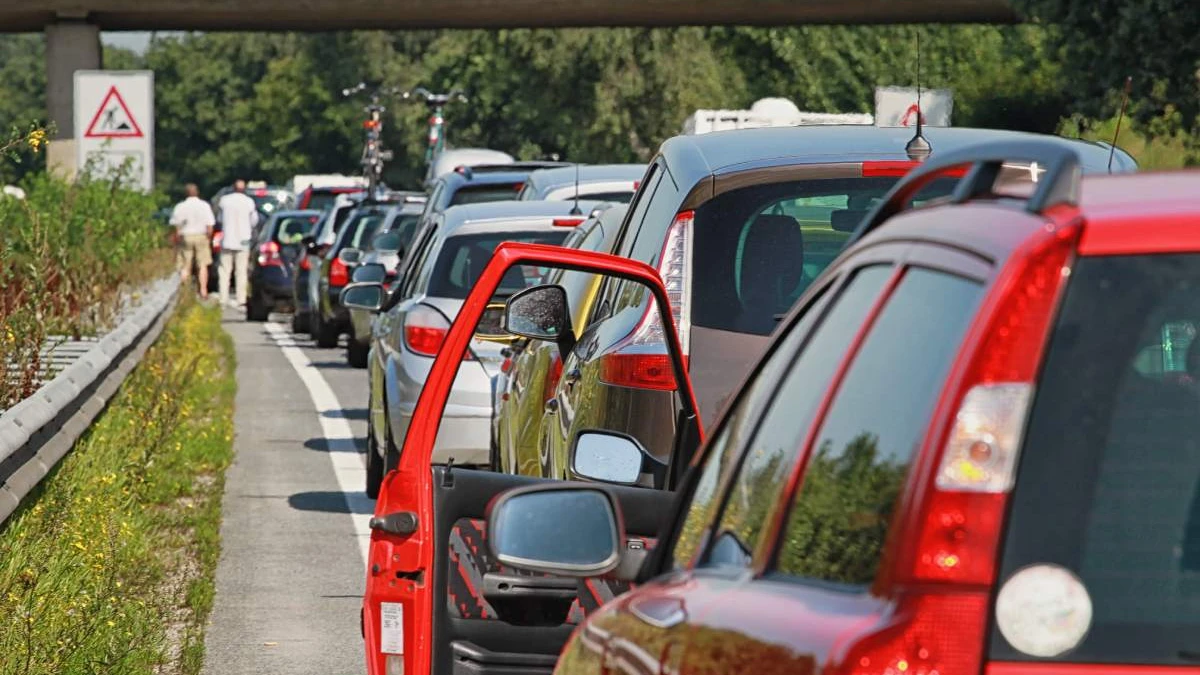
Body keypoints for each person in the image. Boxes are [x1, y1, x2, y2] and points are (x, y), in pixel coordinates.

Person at [216, 179, 260, 308]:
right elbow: (254, 221)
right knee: (241, 271)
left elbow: (219, 218)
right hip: (243, 240)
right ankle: (241, 298)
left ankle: (223, 298)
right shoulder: (249, 202)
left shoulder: (224, 200)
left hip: (227, 239)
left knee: (224, 270)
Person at [169, 183, 215, 298]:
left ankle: (185, 290)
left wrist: (177, 237)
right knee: (202, 264)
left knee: (185, 264)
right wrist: (209, 237)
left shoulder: (180, 206)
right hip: (201, 235)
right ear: (197, 192)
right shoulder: (204, 206)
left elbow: (176, 225)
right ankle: (203, 290)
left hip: (186, 236)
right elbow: (210, 225)